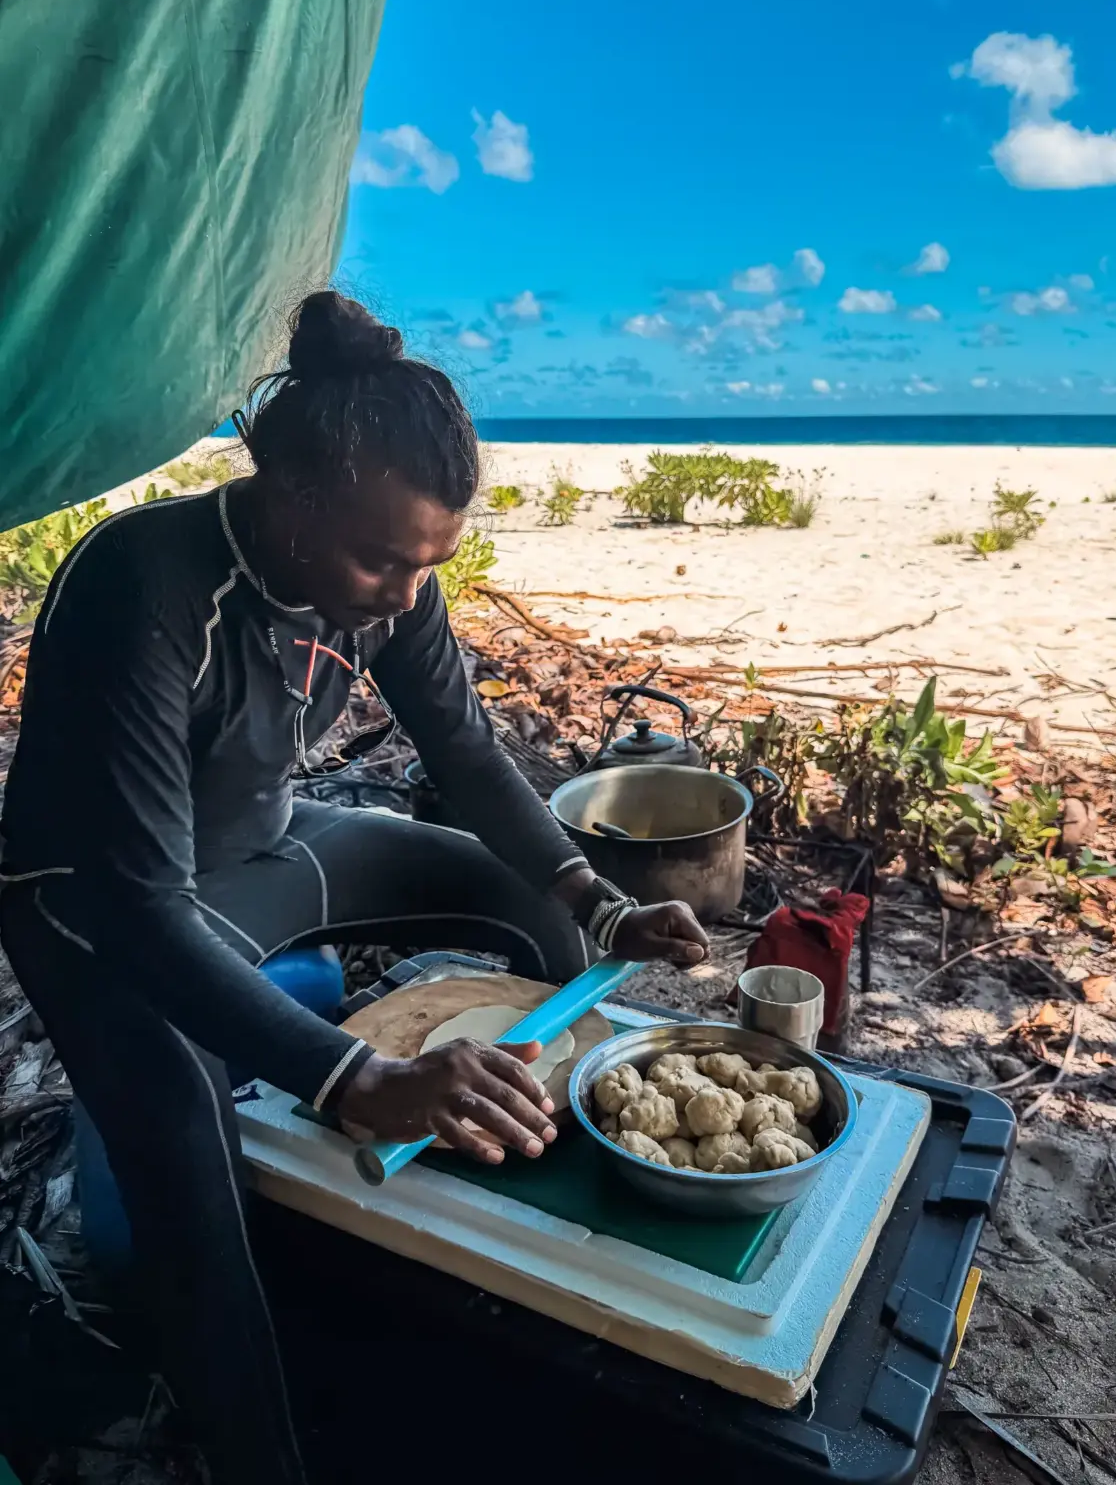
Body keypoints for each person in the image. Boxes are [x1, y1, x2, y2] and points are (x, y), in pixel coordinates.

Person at [0, 290, 709, 1484]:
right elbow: (138, 902)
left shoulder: (397, 586)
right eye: (381, 556)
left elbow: (468, 754)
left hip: (272, 849)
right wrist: (358, 1077)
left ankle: (496, 1234)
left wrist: (597, 901)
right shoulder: (148, 582)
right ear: (290, 498)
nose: (403, 588)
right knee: (182, 1132)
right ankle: (250, 1445)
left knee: (520, 899)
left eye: (432, 560)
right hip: (96, 904)